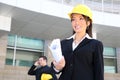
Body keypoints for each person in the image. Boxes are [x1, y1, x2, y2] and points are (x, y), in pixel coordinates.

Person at [52, 4, 104, 80]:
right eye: (73, 19)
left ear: (88, 22)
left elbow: (99, 72)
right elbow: (54, 69)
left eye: (81, 19)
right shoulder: (63, 43)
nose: (76, 23)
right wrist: (57, 68)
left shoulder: (96, 44)